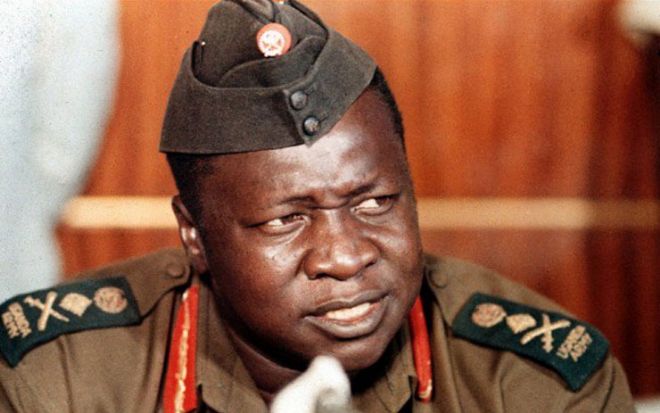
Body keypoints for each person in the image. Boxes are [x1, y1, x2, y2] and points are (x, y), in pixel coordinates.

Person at [0, 1, 636, 412]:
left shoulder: (532, 383)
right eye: (286, 219)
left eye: (376, 201)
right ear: (195, 235)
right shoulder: (58, 380)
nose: (346, 256)